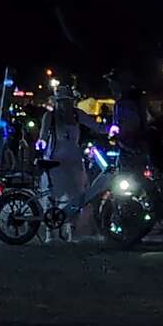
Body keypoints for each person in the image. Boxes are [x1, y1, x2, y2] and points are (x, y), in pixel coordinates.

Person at [37, 84, 105, 240]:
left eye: (67, 101)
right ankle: (50, 233)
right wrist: (40, 143)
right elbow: (42, 136)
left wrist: (111, 129)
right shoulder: (50, 116)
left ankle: (72, 231)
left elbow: (97, 126)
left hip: (74, 160)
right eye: (61, 102)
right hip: (55, 159)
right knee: (52, 195)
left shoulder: (77, 115)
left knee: (76, 196)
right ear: (56, 102)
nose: (64, 105)